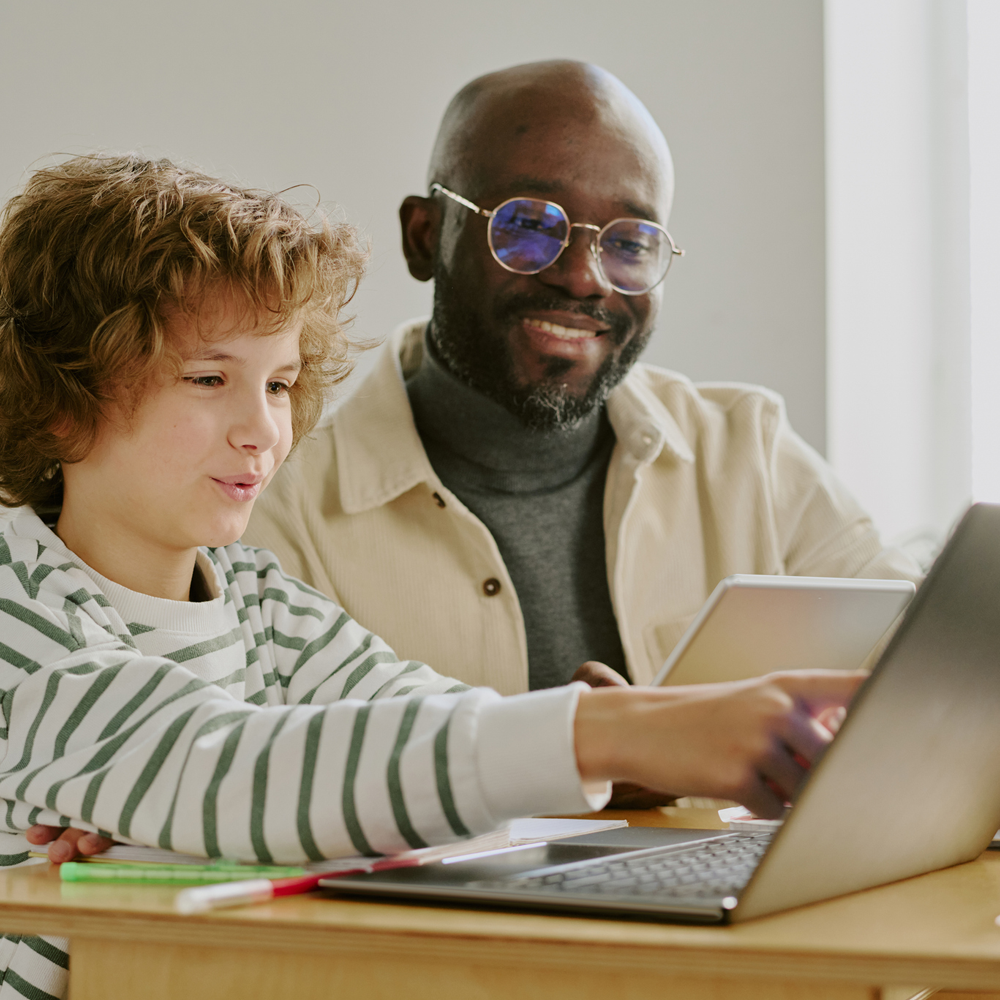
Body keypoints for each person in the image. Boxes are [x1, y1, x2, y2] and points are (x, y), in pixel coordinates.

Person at [0, 153, 859, 998]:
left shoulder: (263, 604)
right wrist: (618, 729)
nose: (261, 429)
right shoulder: (23, 612)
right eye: (209, 378)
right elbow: (234, 773)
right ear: (62, 394)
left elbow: (409, 730)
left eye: (280, 384)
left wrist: (174, 837)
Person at [244, 60, 920, 700]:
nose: (581, 276)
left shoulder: (750, 454)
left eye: (629, 242)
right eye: (529, 226)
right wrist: (577, 752)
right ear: (426, 236)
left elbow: (918, 664)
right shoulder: (280, 508)